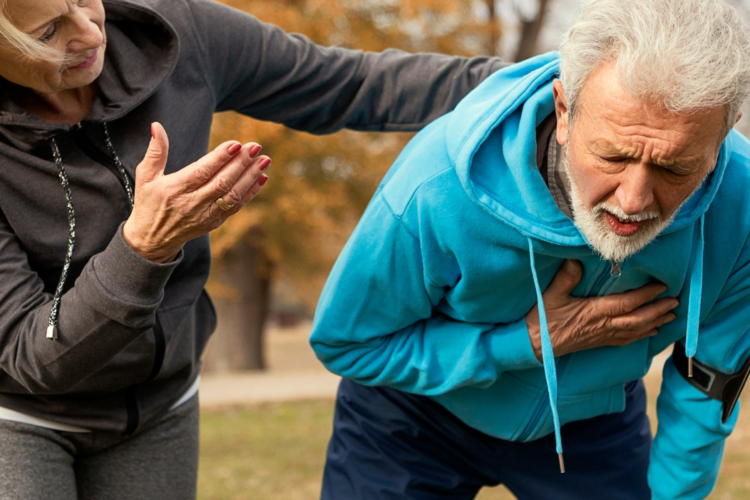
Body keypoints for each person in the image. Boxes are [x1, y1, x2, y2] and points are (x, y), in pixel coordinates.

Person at [0, 0, 507, 498]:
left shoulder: (178, 34)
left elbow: (354, 83)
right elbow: (33, 357)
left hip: (163, 405)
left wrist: (548, 80)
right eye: (47, 33)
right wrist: (142, 249)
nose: (89, 33)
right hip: (20, 416)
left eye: (87, 0)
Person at [309, 0, 750, 498]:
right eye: (612, 156)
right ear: (565, 108)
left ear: (725, 130)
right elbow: (348, 342)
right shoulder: (434, 185)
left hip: (592, 423)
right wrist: (525, 343)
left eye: (676, 168)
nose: (634, 201)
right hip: (412, 413)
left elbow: (708, 385)